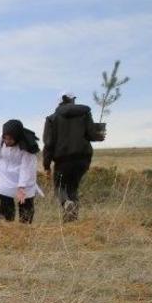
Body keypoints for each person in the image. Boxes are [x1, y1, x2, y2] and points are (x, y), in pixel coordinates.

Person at [42, 91, 98, 222]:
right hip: (83, 159)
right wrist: (99, 133)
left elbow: (49, 144)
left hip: (63, 160)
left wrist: (46, 165)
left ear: (60, 102)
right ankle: (71, 222)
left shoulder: (52, 119)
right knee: (73, 187)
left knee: (60, 187)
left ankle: (66, 203)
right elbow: (92, 135)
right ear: (72, 100)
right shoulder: (85, 114)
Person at [0, 120, 42, 224]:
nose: (7, 141)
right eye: (5, 138)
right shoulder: (0, 141)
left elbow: (26, 167)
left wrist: (21, 186)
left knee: (25, 202)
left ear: (17, 136)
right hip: (5, 174)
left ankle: (25, 229)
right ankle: (7, 227)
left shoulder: (27, 147)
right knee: (5, 200)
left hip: (25, 175)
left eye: (10, 139)